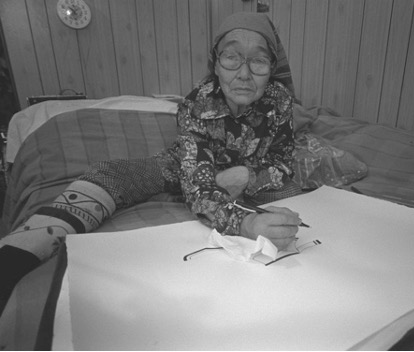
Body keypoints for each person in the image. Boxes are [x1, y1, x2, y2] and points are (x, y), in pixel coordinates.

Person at [0, 12, 303, 310]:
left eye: (259, 60)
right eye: (232, 57)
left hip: (244, 174)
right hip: (183, 168)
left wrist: (246, 176)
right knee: (111, 174)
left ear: (271, 67)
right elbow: (197, 185)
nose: (244, 73)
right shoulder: (196, 104)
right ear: (216, 63)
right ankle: (17, 254)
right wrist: (245, 222)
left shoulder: (280, 102)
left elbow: (283, 162)